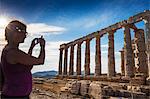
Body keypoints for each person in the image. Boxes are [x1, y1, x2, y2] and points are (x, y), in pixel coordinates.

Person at [0, 20, 45, 99]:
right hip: (14, 96)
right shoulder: (13, 53)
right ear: (15, 33)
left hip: (17, 95)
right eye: (24, 32)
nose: (25, 35)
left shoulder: (12, 51)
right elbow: (40, 61)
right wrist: (42, 47)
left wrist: (31, 47)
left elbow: (28, 64)